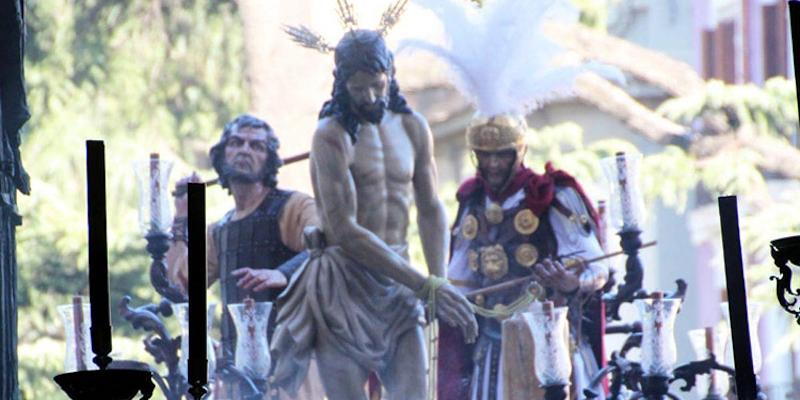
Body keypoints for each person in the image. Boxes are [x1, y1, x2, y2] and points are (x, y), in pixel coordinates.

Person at [399, 0, 620, 398]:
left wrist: (572, 281)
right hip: (490, 345)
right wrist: (440, 295)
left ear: (519, 152)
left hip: (549, 338)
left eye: (501, 155)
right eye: (485, 156)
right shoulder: (470, 201)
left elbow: (595, 264)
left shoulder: (554, 194)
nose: (494, 165)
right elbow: (460, 273)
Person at [270, 28, 478, 400]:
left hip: (399, 284)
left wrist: (438, 281)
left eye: (377, 85)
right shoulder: (331, 136)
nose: (369, 97)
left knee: (414, 394)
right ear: (341, 84)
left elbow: (430, 208)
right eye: (357, 88)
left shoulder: (413, 127)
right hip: (344, 289)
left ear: (391, 74)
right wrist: (423, 284)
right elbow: (344, 230)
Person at [165, 113, 323, 399]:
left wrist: (283, 273)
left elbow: (326, 245)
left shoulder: (295, 207)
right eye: (236, 143)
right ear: (223, 154)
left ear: (269, 160)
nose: (245, 150)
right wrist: (181, 217)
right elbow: (179, 285)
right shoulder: (219, 232)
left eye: (256, 146)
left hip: (293, 368)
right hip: (236, 374)